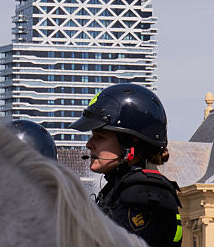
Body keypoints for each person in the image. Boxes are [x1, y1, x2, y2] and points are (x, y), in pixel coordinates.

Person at [70, 83, 182, 246]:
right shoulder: (121, 188)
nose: (89, 144)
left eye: (100, 137)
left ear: (131, 143)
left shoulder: (142, 195)